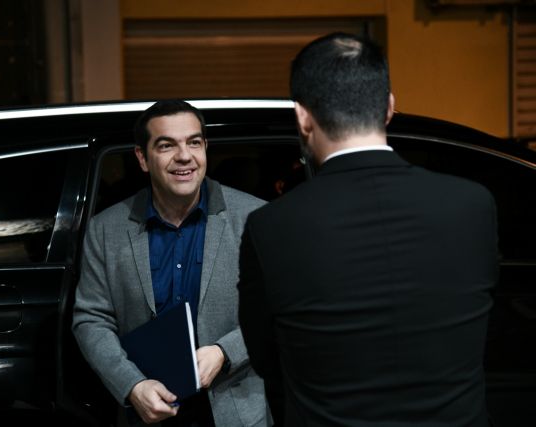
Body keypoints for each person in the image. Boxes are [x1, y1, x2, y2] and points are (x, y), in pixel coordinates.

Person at [238, 32, 498, 426]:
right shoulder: (472, 204)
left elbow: (264, 356)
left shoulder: (271, 225)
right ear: (390, 107)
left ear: (302, 117)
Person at [72, 100, 269, 427]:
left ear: (205, 148)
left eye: (194, 142)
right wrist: (132, 385)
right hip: (148, 412)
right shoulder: (105, 229)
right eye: (167, 145)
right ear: (142, 158)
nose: (184, 156)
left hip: (234, 411)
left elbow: (275, 306)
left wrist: (224, 352)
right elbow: (91, 319)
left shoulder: (255, 218)